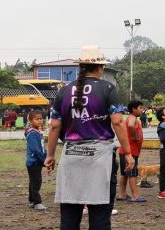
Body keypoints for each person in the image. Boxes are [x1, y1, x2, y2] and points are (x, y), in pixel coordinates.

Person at [45, 45, 133, 230]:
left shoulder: (64, 91)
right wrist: (128, 153)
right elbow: (117, 122)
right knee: (100, 216)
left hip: (71, 156)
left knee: (69, 216)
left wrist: (50, 155)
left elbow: (54, 126)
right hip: (100, 159)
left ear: (81, 67)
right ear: (100, 68)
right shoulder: (107, 88)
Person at [117, 101, 145, 202]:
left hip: (125, 150)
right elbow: (131, 126)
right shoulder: (132, 118)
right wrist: (135, 136)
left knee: (124, 173)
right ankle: (135, 196)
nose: (142, 110)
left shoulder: (131, 117)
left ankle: (122, 194)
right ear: (134, 109)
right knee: (132, 174)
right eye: (140, 108)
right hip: (130, 151)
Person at [25, 110, 47, 211]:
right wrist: (43, 160)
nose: (39, 121)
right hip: (34, 161)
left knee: (33, 182)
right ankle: (37, 202)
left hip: (37, 161)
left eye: (41, 118)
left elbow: (42, 147)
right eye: (37, 119)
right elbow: (35, 149)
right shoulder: (32, 133)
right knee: (36, 182)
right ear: (30, 121)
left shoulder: (38, 132)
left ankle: (32, 200)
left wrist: (46, 156)